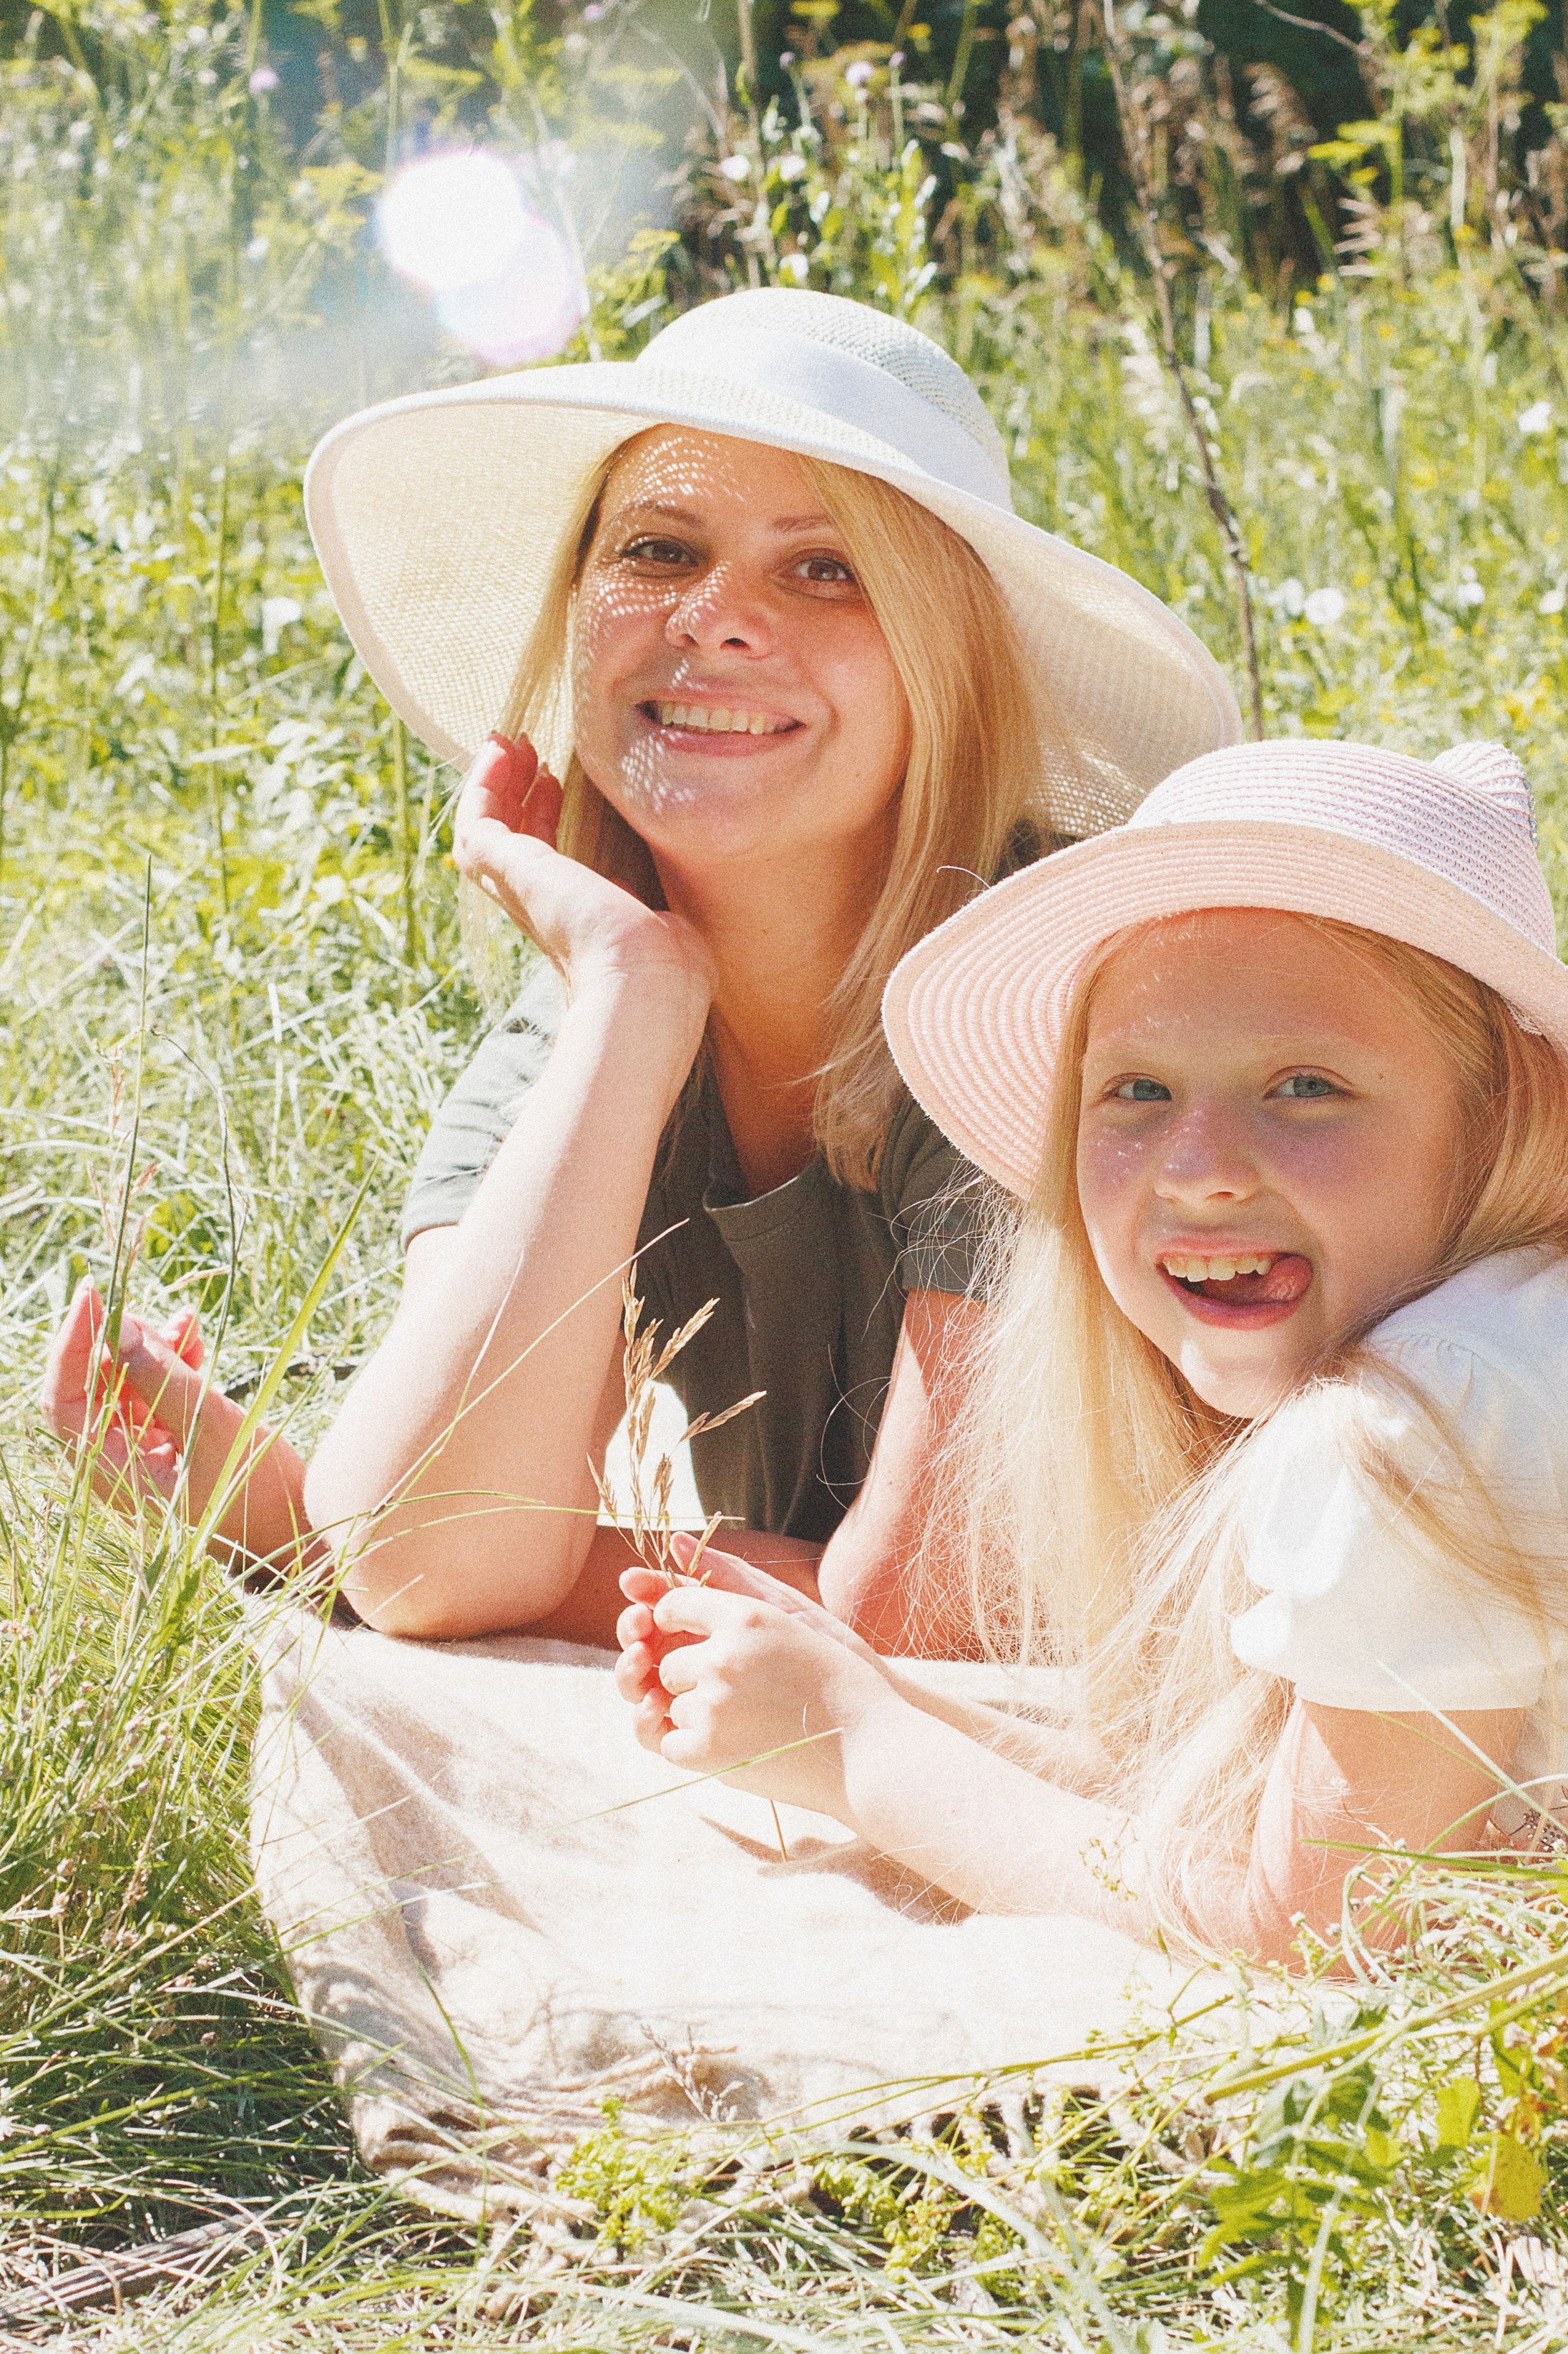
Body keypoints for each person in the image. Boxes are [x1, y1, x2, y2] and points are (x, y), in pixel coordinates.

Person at [42, 289, 1240, 1651]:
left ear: (944, 665)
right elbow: (434, 1556)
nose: (717, 618)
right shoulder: (596, 1004)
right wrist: (630, 995)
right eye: (661, 551)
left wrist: (299, 1519)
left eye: (826, 567)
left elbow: (921, 1617)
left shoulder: (1049, 997)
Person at [609, 737, 1568, 1961]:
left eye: (1303, 1085)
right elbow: (1235, 1813)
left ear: (1502, 1112)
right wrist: (886, 1691)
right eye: (1137, 1091)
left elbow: (1300, 1936)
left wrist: (856, 1750)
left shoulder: (1407, 1423)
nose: (1197, 1170)